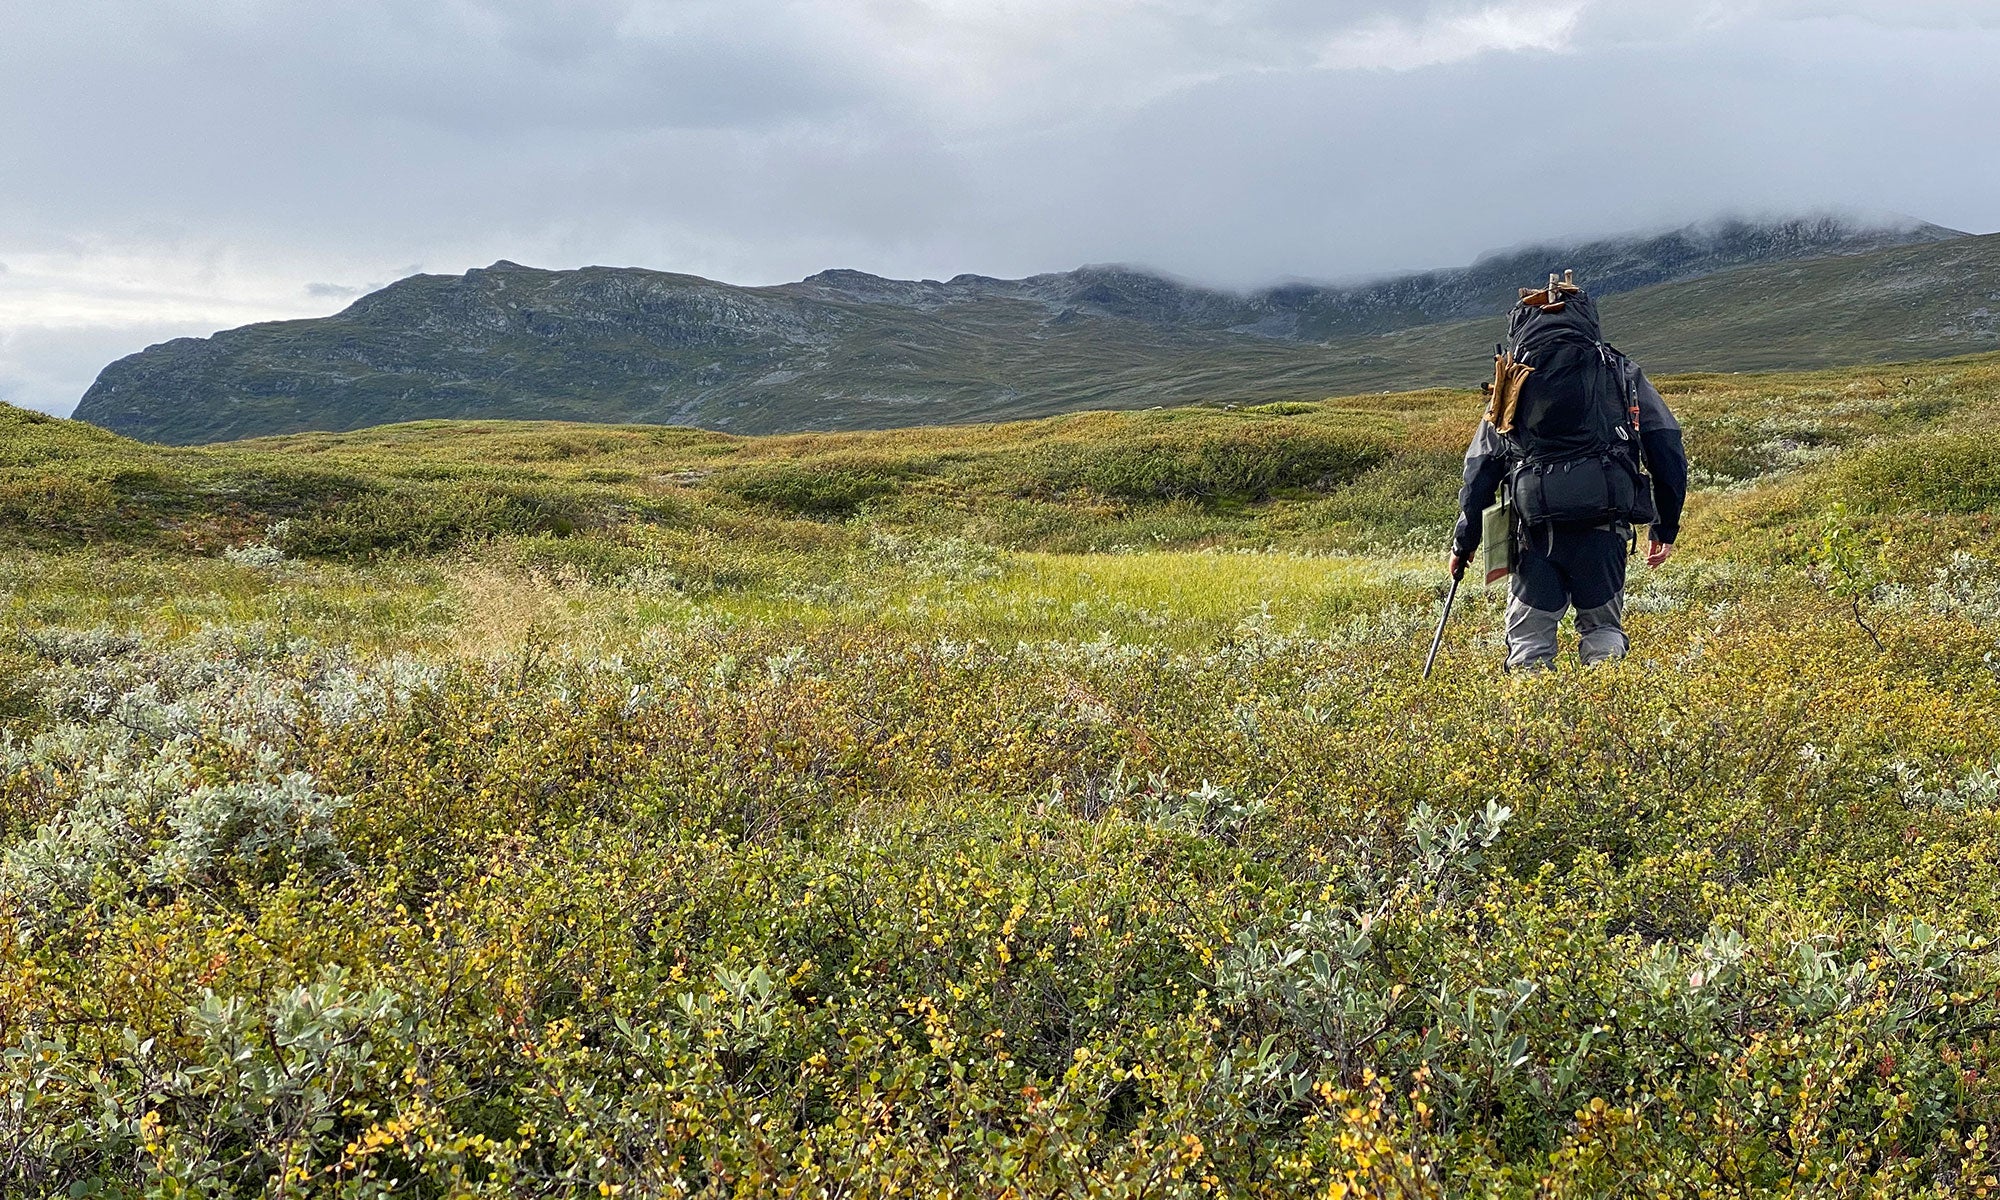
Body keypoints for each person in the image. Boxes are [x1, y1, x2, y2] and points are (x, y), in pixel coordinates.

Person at [1446, 277, 1688, 669]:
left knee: (1529, 641)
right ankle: (1607, 713)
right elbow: (1667, 448)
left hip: (1535, 532)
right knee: (1603, 632)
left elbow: (1481, 469)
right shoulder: (1621, 371)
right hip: (1604, 526)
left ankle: (1533, 723)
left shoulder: (1511, 378)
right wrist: (1665, 527)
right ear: (1589, 318)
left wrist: (1465, 542)